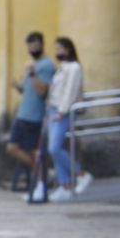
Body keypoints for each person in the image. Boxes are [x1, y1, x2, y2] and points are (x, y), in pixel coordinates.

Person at [7, 30, 56, 193]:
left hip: (35, 115)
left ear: (41, 45)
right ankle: (42, 174)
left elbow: (43, 91)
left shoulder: (47, 65)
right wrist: (17, 85)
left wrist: (33, 73)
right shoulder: (32, 64)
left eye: (34, 45)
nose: (32, 49)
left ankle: (42, 181)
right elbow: (27, 89)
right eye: (29, 46)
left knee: (35, 152)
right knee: (12, 147)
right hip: (23, 114)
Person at [46, 36, 92, 201]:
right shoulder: (62, 68)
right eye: (56, 49)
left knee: (54, 148)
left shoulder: (74, 67)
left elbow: (70, 91)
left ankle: (81, 174)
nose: (57, 52)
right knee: (55, 148)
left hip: (63, 111)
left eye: (60, 49)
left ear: (68, 49)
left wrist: (62, 111)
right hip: (54, 108)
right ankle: (65, 185)